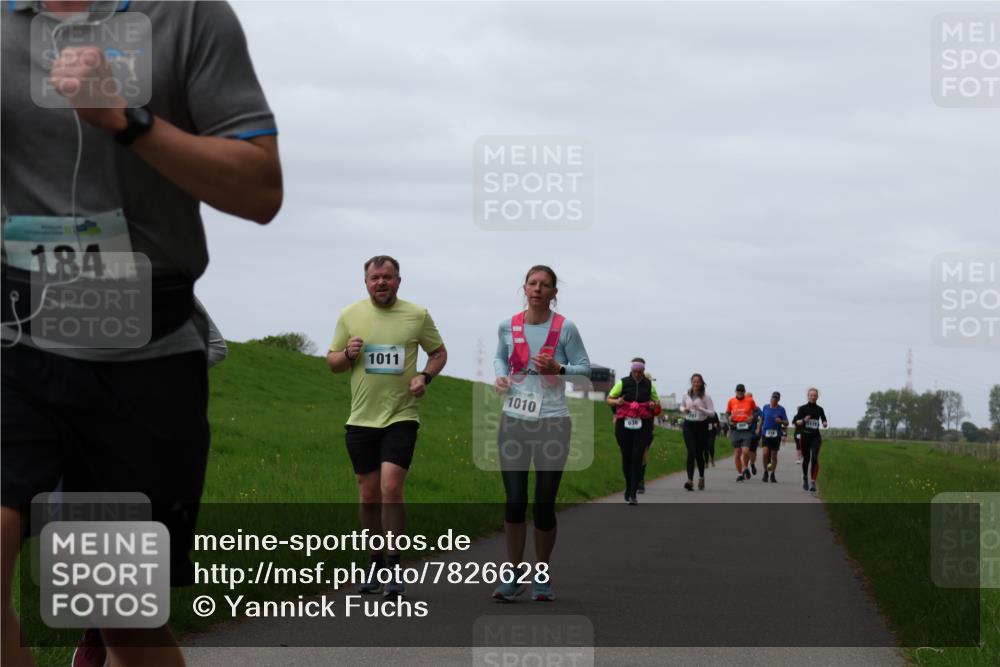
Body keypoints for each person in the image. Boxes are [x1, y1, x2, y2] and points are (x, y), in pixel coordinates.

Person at [2, 2, 282, 666]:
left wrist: (130, 120)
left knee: (116, 611)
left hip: (143, 354)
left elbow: (261, 191)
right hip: (13, 335)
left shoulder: (188, 16)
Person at [327, 256, 447, 597]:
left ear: (398, 281)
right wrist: (348, 355)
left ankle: (395, 566)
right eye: (375, 277)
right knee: (368, 495)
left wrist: (425, 376)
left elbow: (439, 352)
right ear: (365, 282)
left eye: (388, 277)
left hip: (401, 416)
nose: (381, 282)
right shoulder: (350, 315)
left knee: (391, 489)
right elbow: (333, 362)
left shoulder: (417, 315)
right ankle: (375, 562)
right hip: (361, 419)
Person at [492, 265, 590, 602]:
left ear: (553, 293)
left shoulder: (566, 329)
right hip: (514, 421)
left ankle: (542, 575)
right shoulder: (508, 326)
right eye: (533, 283)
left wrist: (559, 368)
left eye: (545, 285)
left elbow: (584, 371)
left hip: (552, 422)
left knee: (543, 505)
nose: (537, 289)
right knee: (515, 500)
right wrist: (501, 377)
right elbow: (500, 360)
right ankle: (513, 573)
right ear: (524, 288)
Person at [607, 358, 659, 505]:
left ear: (643, 372)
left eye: (640, 372)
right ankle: (629, 486)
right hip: (624, 423)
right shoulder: (623, 382)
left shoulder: (649, 385)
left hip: (643, 424)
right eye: (635, 371)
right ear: (631, 371)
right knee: (626, 457)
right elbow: (609, 399)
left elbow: (657, 403)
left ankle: (633, 493)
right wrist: (617, 402)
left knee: (637, 457)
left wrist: (652, 404)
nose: (637, 374)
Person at [679, 373, 714, 490]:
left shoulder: (706, 397)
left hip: (701, 426)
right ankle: (689, 481)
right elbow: (681, 406)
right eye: (694, 382)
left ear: (701, 383)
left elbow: (712, 413)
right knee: (691, 451)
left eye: (698, 382)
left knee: (699, 454)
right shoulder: (686, 394)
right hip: (689, 425)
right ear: (691, 382)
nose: (695, 384)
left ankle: (701, 477)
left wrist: (701, 409)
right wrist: (685, 410)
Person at [793, 388, 829, 492]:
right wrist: (804, 420)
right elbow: (796, 422)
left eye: (814, 395)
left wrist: (825, 423)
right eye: (811, 395)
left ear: (817, 397)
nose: (813, 397)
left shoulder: (819, 409)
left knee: (814, 458)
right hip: (805, 436)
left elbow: (823, 418)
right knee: (807, 459)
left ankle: (813, 481)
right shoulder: (803, 409)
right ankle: (805, 477)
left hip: (815, 436)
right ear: (808, 396)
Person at [725, 384, 758, 482]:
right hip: (735, 428)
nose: (740, 393)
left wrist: (752, 417)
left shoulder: (750, 400)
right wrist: (729, 417)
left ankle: (745, 467)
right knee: (737, 454)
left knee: (746, 451)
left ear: (744, 391)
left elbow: (756, 412)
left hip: (746, 429)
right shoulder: (731, 401)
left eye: (741, 391)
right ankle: (740, 474)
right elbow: (727, 413)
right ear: (735, 391)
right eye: (738, 391)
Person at [757, 391, 789, 483]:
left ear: (778, 399)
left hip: (776, 434)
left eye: (776, 398)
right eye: (773, 397)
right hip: (765, 433)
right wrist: (758, 428)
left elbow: (787, 423)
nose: (774, 399)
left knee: (774, 455)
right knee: (765, 453)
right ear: (771, 398)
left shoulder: (781, 409)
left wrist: (781, 421)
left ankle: (773, 474)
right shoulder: (765, 407)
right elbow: (761, 419)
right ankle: (765, 472)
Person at [637, 370, 659, 493]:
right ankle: (634, 478)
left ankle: (640, 480)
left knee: (643, 452)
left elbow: (657, 407)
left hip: (646, 425)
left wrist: (653, 406)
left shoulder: (651, 391)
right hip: (630, 425)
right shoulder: (630, 389)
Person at [747, 394, 762, 477]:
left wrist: (758, 428)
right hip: (744, 433)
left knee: (753, 452)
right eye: (747, 397)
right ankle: (746, 469)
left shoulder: (756, 408)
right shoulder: (742, 408)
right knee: (745, 451)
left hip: (754, 433)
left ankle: (752, 464)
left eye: (750, 397)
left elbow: (761, 418)